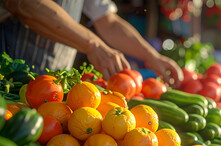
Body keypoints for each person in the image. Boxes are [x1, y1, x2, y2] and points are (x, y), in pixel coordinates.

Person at [0, 0, 183, 85]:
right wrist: (92, 44)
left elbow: (108, 21)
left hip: (52, 85)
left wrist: (151, 55)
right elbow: (23, 4)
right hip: (7, 76)